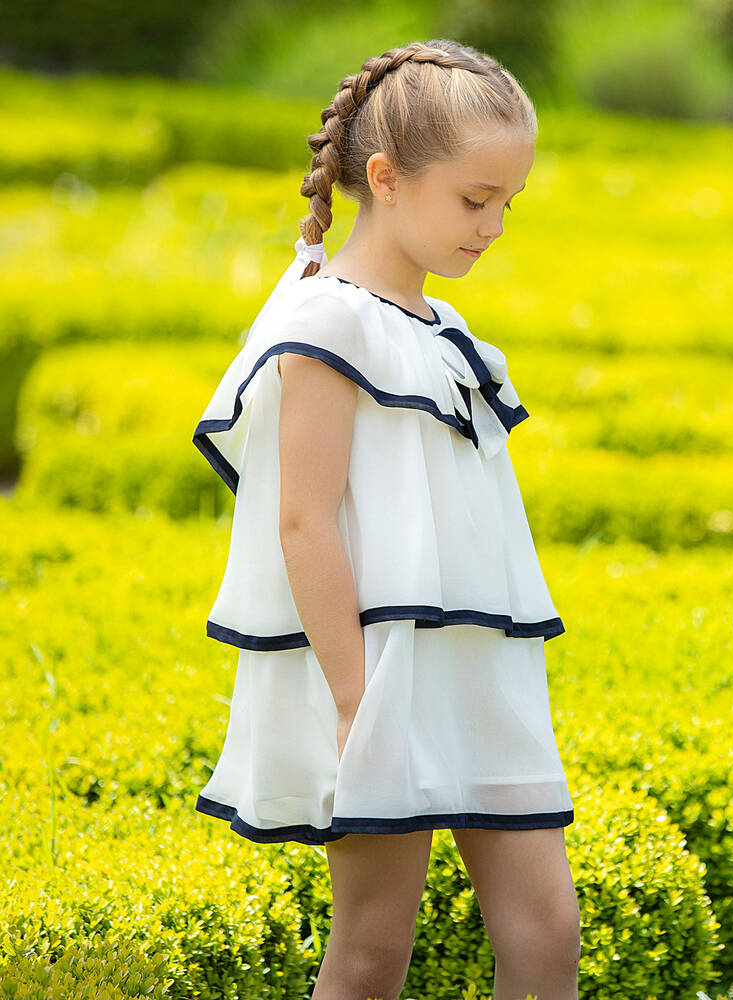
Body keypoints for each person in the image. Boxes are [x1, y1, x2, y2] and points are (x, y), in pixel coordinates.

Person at [191, 38, 580, 1000]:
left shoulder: (449, 335)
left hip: (477, 669)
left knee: (546, 932)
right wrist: (356, 700)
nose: (494, 226)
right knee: (371, 950)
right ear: (386, 180)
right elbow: (303, 523)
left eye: (509, 203)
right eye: (475, 200)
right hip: (379, 675)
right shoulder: (326, 321)